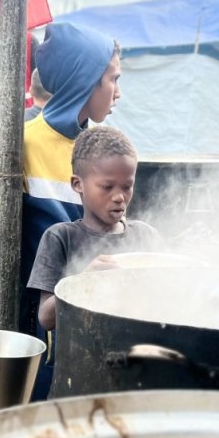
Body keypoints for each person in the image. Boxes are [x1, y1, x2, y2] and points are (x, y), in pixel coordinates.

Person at [0, 22, 120, 402]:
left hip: (87, 327)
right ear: (86, 80)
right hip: (35, 328)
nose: (118, 92)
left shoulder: (101, 152)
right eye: (112, 79)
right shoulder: (22, 145)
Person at [29, 126, 163, 332]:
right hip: (80, 357)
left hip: (140, 353)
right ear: (77, 184)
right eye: (107, 187)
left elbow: (169, 296)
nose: (119, 197)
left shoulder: (145, 236)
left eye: (127, 186)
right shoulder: (61, 238)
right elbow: (46, 319)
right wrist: (83, 281)